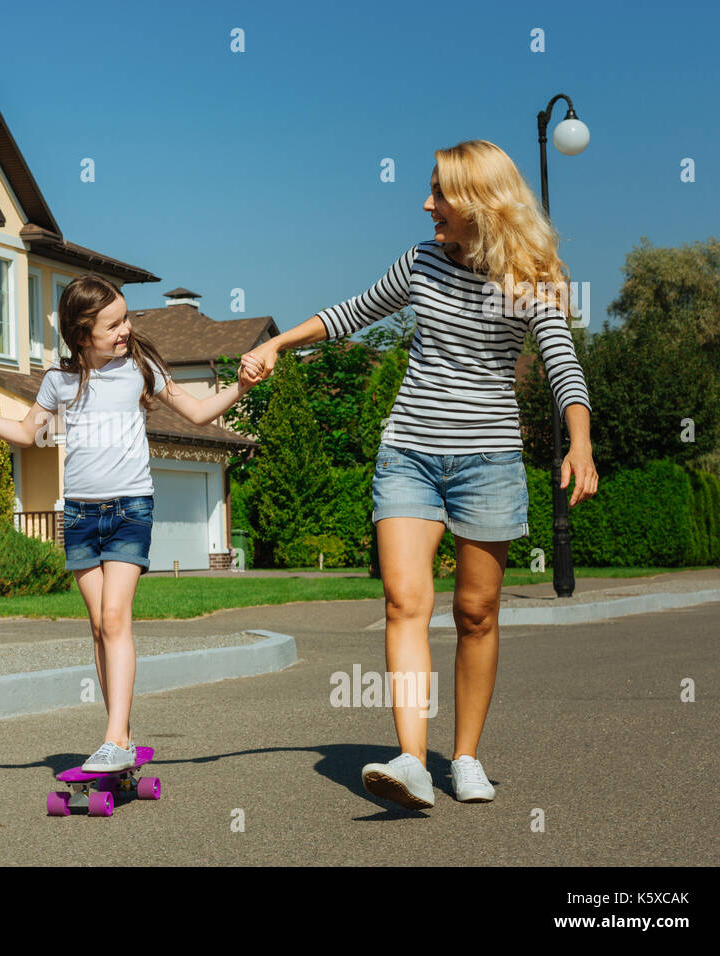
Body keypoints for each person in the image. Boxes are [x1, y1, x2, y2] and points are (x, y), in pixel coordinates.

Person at [243, 140, 599, 809]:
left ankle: (464, 757)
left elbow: (561, 362)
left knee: (476, 613)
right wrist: (278, 343)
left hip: (488, 462)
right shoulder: (422, 261)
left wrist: (578, 443)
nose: (426, 203)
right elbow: (352, 311)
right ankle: (411, 759)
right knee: (406, 602)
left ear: (479, 201)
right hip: (408, 452)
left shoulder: (531, 277)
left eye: (440, 192)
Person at [0, 274, 260, 771]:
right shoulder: (59, 380)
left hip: (130, 510)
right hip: (78, 515)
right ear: (81, 335)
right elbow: (25, 434)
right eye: (115, 323)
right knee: (100, 626)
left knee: (116, 618)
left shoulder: (141, 367)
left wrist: (241, 387)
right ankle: (122, 734)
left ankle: (115, 737)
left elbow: (200, 413)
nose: (127, 329)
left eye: (127, 317)